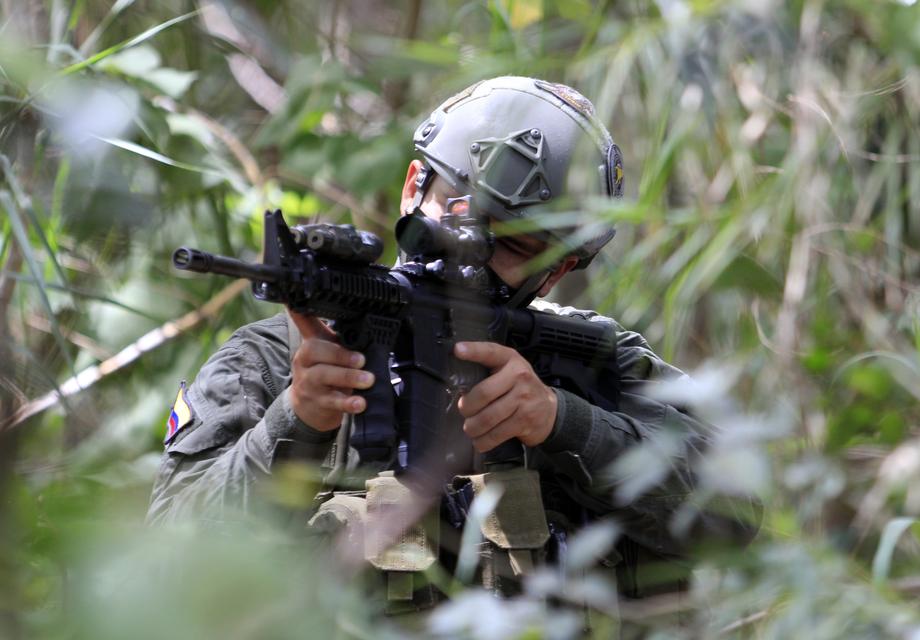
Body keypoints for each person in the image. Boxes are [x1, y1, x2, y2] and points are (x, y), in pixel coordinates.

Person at [147, 76, 759, 605]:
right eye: (461, 213)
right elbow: (163, 563)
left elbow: (735, 516)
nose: (473, 250)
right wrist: (294, 420)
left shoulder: (596, 360)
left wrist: (562, 424)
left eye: (513, 246)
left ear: (560, 269)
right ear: (415, 184)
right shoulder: (276, 360)